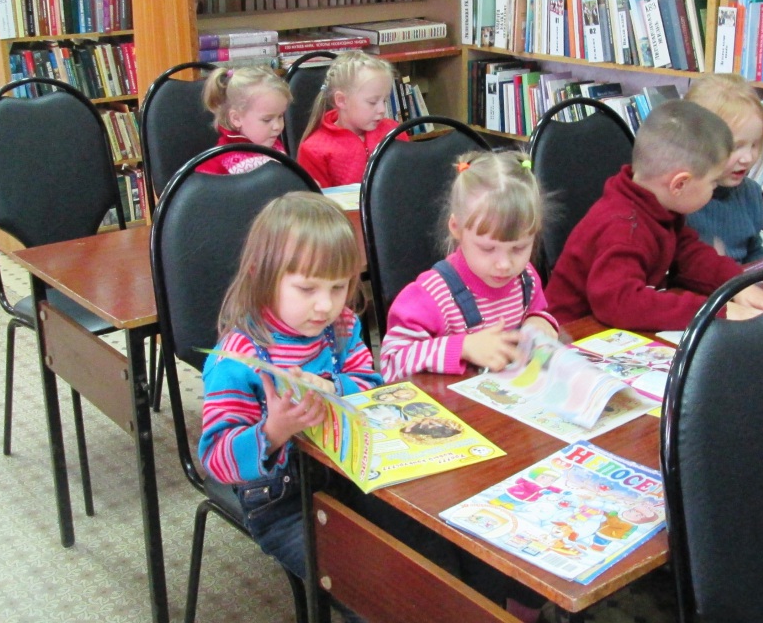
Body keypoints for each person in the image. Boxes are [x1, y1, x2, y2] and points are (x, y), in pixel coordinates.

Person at [198, 192, 382, 611]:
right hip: (282, 506)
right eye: (306, 288)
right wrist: (274, 431)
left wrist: (333, 388)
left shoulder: (340, 326)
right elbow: (216, 460)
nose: (326, 304)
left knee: (423, 555)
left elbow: (371, 385)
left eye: (339, 287)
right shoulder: (237, 358)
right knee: (368, 590)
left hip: (349, 475)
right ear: (261, 276)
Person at [544, 100, 763, 331]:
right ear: (679, 185)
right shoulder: (624, 226)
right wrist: (711, 311)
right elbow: (621, 302)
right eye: (713, 182)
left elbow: (689, 254)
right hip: (569, 337)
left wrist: (736, 284)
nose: (714, 189)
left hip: (610, 332)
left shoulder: (656, 205)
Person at [380, 150, 559, 383]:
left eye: (518, 248)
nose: (504, 265)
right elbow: (391, 364)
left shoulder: (526, 280)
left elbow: (539, 312)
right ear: (456, 227)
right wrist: (463, 347)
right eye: (487, 249)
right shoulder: (432, 295)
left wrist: (540, 321)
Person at [684, 73, 763, 263]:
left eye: (755, 145)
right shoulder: (679, 202)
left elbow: (754, 249)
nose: (748, 158)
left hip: (741, 279)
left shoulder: (750, 193)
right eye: (735, 147)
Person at [296, 51, 407, 187]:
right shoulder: (314, 149)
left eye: (384, 100)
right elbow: (314, 199)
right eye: (372, 102)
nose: (382, 109)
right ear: (342, 100)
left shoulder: (394, 132)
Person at [196, 66, 291, 175]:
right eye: (267, 120)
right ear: (236, 118)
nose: (277, 126)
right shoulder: (217, 163)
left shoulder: (275, 145)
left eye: (280, 116)